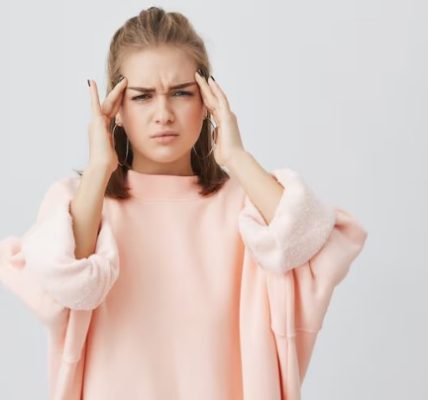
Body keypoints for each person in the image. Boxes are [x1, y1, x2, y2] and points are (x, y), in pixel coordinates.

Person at [0, 6, 368, 400]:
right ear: (117, 109)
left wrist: (236, 157)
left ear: (207, 100)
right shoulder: (81, 205)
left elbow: (313, 241)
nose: (163, 114)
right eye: (142, 96)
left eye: (180, 93)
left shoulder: (245, 206)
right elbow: (63, 284)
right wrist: (99, 170)